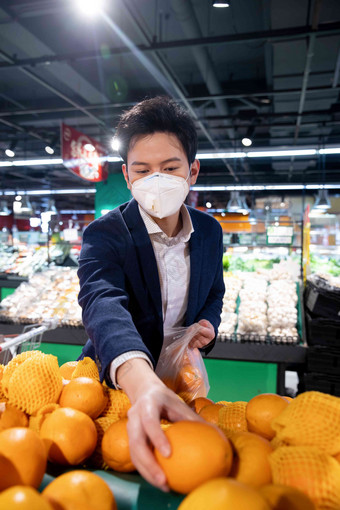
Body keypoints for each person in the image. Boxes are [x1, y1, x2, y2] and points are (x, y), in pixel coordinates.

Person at [77, 96, 225, 491]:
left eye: (170, 167)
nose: (155, 179)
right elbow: (101, 301)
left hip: (180, 385)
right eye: (142, 170)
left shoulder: (210, 233)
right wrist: (141, 383)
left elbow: (214, 291)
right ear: (127, 177)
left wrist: (209, 321)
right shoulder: (105, 234)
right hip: (116, 389)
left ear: (192, 171)